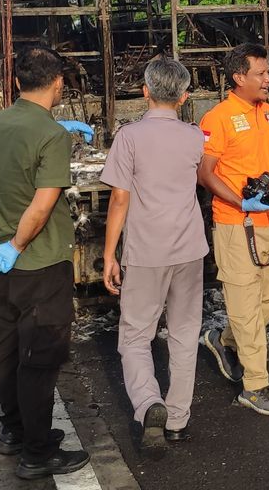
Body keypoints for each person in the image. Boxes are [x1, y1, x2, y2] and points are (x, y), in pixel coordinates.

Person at [0, 45, 89, 479]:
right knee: (40, 358)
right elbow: (42, 207)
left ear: (17, 82)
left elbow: (19, 152)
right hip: (37, 262)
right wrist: (20, 245)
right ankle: (38, 453)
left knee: (6, 349)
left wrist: (6, 247)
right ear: (59, 81)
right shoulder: (51, 136)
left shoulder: (0, 120)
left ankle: (15, 431)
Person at [100, 57, 206, 447]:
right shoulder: (196, 137)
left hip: (146, 251)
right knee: (182, 333)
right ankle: (177, 419)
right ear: (184, 96)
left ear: (144, 91)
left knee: (135, 336)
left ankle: (148, 405)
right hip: (190, 249)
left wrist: (109, 254)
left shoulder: (129, 137)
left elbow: (119, 200)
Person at [197, 43, 269, 417]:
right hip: (235, 225)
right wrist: (242, 203)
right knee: (244, 306)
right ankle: (254, 386)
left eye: (268, 72)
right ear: (239, 77)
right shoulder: (218, 118)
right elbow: (204, 173)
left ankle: (222, 339)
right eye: (261, 73)